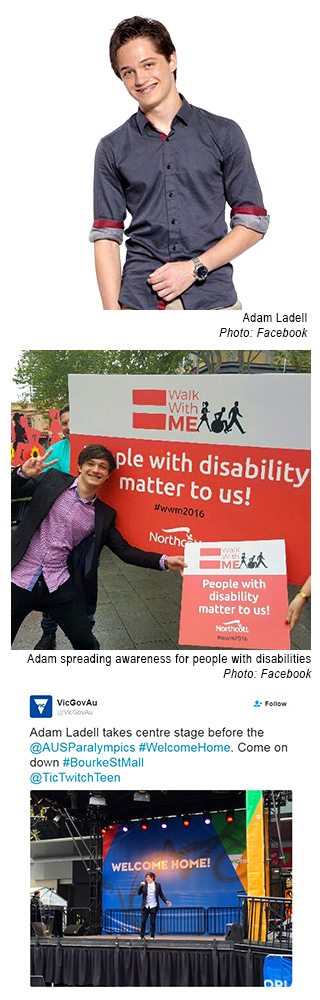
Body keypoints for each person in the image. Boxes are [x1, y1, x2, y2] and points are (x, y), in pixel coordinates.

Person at [90, 16, 269, 311]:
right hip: (140, 301)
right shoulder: (111, 148)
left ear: (171, 59)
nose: (140, 80)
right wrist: (113, 319)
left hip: (213, 300)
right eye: (128, 72)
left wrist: (194, 268)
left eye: (149, 64)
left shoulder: (224, 133)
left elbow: (252, 223)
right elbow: (106, 237)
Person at [11, 444, 185, 649]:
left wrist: (165, 561)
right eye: (90, 464)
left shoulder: (104, 514)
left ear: (108, 475)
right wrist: (22, 473)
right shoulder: (52, 480)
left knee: (87, 644)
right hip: (17, 577)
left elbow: (125, 551)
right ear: (79, 466)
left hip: (57, 583)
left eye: (102, 467)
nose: (96, 470)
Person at [35, 404, 71, 649]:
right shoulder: (56, 452)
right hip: (58, 530)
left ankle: (84, 629)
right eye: (65, 422)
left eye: (73, 421)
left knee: (84, 579)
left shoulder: (100, 450)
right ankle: (48, 633)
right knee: (51, 580)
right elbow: (46, 489)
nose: (69, 427)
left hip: (88, 531)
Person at [138, 872, 171, 939]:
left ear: (152, 877)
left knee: (152, 922)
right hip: (146, 906)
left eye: (148, 877)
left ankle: (152, 936)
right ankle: (142, 936)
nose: (147, 879)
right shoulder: (144, 885)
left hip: (153, 906)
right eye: (146, 877)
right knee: (143, 921)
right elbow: (139, 893)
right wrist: (141, 886)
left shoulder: (157, 885)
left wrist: (166, 901)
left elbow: (161, 894)